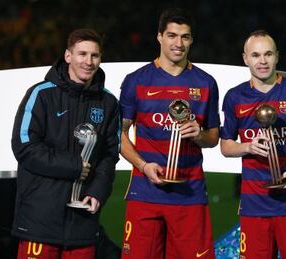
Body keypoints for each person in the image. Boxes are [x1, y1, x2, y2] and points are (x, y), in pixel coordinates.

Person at [119, 8, 220, 259]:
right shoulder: (136, 80)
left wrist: (199, 135)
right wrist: (143, 166)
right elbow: (118, 135)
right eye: (172, 35)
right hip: (145, 191)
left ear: (192, 40)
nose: (178, 43)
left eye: (185, 37)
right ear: (159, 37)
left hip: (190, 193)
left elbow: (214, 137)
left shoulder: (205, 82)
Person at [11, 28, 120, 259]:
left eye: (94, 55)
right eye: (82, 54)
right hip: (39, 220)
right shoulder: (41, 94)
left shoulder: (108, 102)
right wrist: (74, 166)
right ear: (68, 56)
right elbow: (24, 145)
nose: (88, 62)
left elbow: (110, 155)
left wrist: (98, 192)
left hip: (83, 222)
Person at [220, 30, 286, 259]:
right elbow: (226, 146)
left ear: (277, 56)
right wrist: (248, 147)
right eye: (256, 55)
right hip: (254, 204)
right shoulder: (234, 97)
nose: (262, 61)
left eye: (268, 54)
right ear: (245, 59)